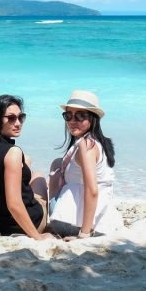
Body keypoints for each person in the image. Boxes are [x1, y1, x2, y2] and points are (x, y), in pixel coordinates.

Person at [0, 94, 54, 239]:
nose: (18, 123)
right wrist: (37, 236)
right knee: (39, 177)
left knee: (27, 162)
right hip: (16, 226)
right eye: (11, 118)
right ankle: (47, 224)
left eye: (21, 117)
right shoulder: (13, 153)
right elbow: (14, 204)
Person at [48, 90, 118, 238]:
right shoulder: (98, 142)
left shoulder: (86, 146)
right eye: (68, 115)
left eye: (80, 116)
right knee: (57, 163)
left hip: (74, 223)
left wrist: (84, 234)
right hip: (104, 220)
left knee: (39, 184)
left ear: (93, 118)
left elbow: (92, 190)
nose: (73, 120)